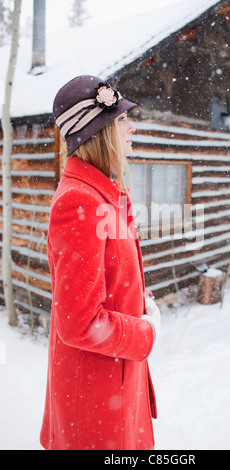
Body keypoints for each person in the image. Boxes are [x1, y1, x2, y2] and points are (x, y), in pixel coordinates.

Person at [40, 75, 161, 451]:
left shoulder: (102, 194)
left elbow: (109, 280)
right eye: (122, 120)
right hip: (95, 398)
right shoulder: (81, 202)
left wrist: (142, 301)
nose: (131, 127)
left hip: (112, 384)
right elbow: (80, 323)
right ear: (101, 131)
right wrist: (147, 332)